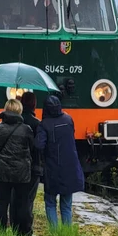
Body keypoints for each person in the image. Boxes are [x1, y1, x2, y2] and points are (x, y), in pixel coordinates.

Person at [35, 95, 84, 227]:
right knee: (66, 203)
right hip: (70, 166)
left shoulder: (44, 124)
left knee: (50, 201)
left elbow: (39, 145)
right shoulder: (68, 119)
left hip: (53, 168)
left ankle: (54, 231)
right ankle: (66, 231)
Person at [0, 98, 34, 236]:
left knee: (2, 203)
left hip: (2, 171)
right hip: (21, 173)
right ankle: (23, 234)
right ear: (19, 111)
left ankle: (1, 234)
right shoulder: (26, 129)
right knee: (23, 204)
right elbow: (32, 148)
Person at [11, 91, 43, 236]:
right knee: (27, 199)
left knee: (14, 198)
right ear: (34, 104)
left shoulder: (10, 123)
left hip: (13, 166)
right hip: (31, 167)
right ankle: (26, 231)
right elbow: (38, 147)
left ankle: (14, 228)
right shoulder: (36, 124)